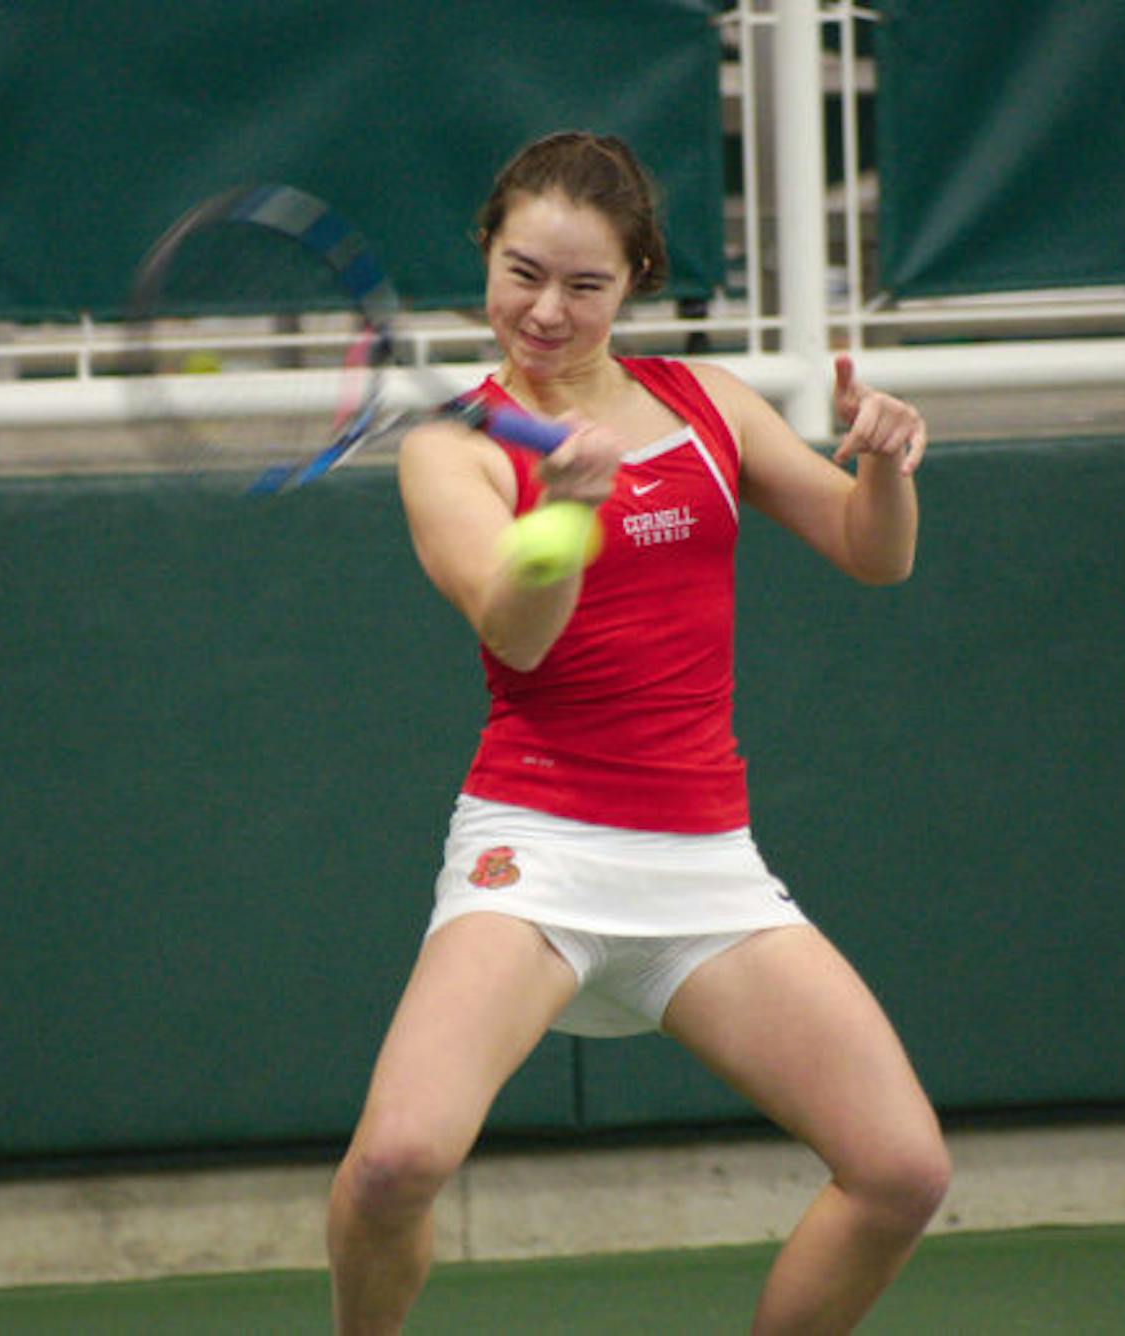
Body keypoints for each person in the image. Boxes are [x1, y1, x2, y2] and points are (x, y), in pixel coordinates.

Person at [326, 131, 949, 1334]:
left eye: (583, 284)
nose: (544, 311)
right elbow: (514, 631)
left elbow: (874, 556)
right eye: (520, 273)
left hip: (703, 863)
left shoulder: (704, 404)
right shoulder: (451, 445)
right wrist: (563, 514)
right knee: (397, 1162)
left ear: (636, 278)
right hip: (535, 850)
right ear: (487, 260)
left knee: (900, 1170)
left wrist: (882, 463)